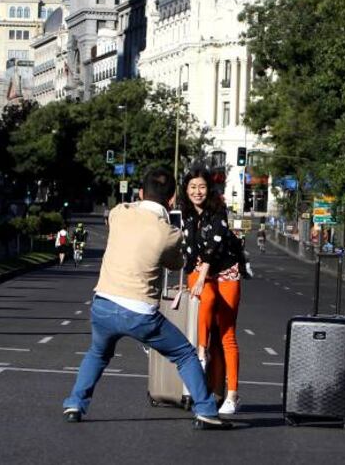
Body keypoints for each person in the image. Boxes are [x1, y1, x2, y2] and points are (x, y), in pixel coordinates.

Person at [63, 166, 229, 430]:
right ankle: (206, 410)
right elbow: (175, 265)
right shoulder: (169, 234)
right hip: (140, 311)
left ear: (140, 192)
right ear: (172, 199)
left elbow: (119, 220)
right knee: (185, 354)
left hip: (103, 303)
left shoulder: (119, 213)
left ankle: (75, 404)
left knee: (97, 353)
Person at [181, 165, 243, 415]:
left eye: (202, 187)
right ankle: (202, 351)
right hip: (200, 271)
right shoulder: (186, 215)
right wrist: (187, 281)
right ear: (186, 190)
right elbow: (188, 252)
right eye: (192, 187)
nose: (197, 192)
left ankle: (232, 394)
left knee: (228, 334)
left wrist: (201, 276)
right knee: (205, 297)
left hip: (225, 270)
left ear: (210, 189)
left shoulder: (219, 212)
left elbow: (214, 245)